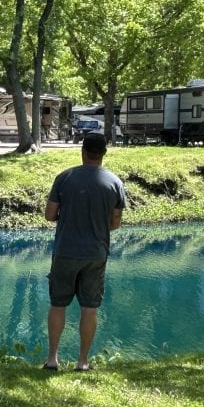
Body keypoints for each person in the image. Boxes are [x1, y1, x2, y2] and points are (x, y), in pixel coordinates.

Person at [43, 132, 126, 372]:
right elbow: (116, 222)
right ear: (103, 154)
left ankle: (52, 360)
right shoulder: (114, 183)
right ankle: (82, 361)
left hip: (65, 252)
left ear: (83, 151)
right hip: (96, 254)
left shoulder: (65, 178)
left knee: (58, 304)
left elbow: (49, 215)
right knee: (89, 307)